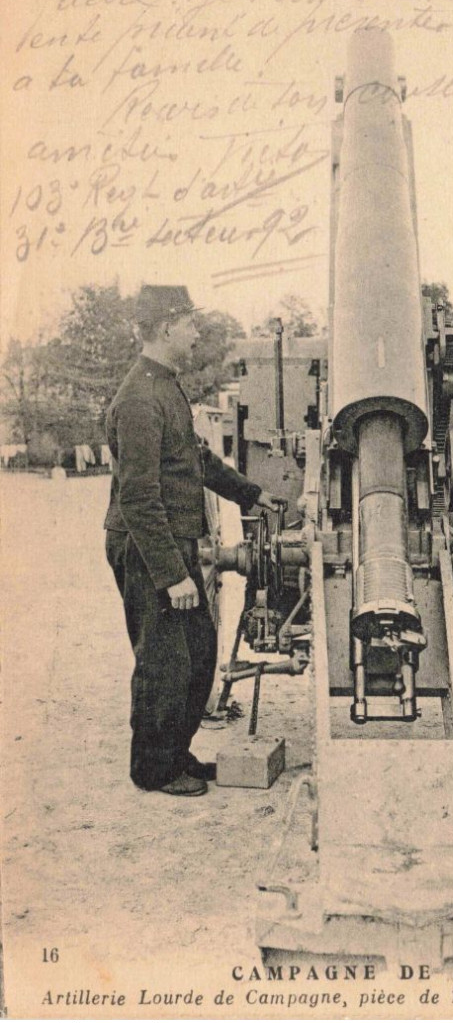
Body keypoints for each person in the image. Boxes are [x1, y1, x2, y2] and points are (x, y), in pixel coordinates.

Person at [104, 285, 278, 798]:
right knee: (163, 659)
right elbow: (138, 498)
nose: (196, 333)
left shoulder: (167, 387)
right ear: (164, 329)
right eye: (190, 324)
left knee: (199, 652)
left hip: (171, 539)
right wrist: (171, 574)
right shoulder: (138, 398)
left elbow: (195, 462)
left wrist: (253, 494)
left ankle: (176, 752)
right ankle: (154, 768)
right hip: (146, 544)